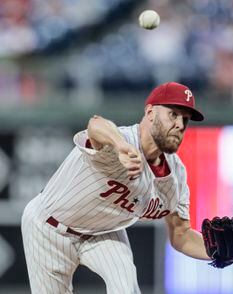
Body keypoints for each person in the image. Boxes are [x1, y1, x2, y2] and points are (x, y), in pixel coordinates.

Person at [21, 81, 210, 294]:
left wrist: (216, 250)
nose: (180, 125)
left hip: (103, 231)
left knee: (126, 287)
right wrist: (119, 146)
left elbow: (181, 234)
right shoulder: (122, 140)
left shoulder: (177, 175)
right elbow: (95, 125)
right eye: (173, 114)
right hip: (48, 227)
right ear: (150, 112)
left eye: (185, 119)